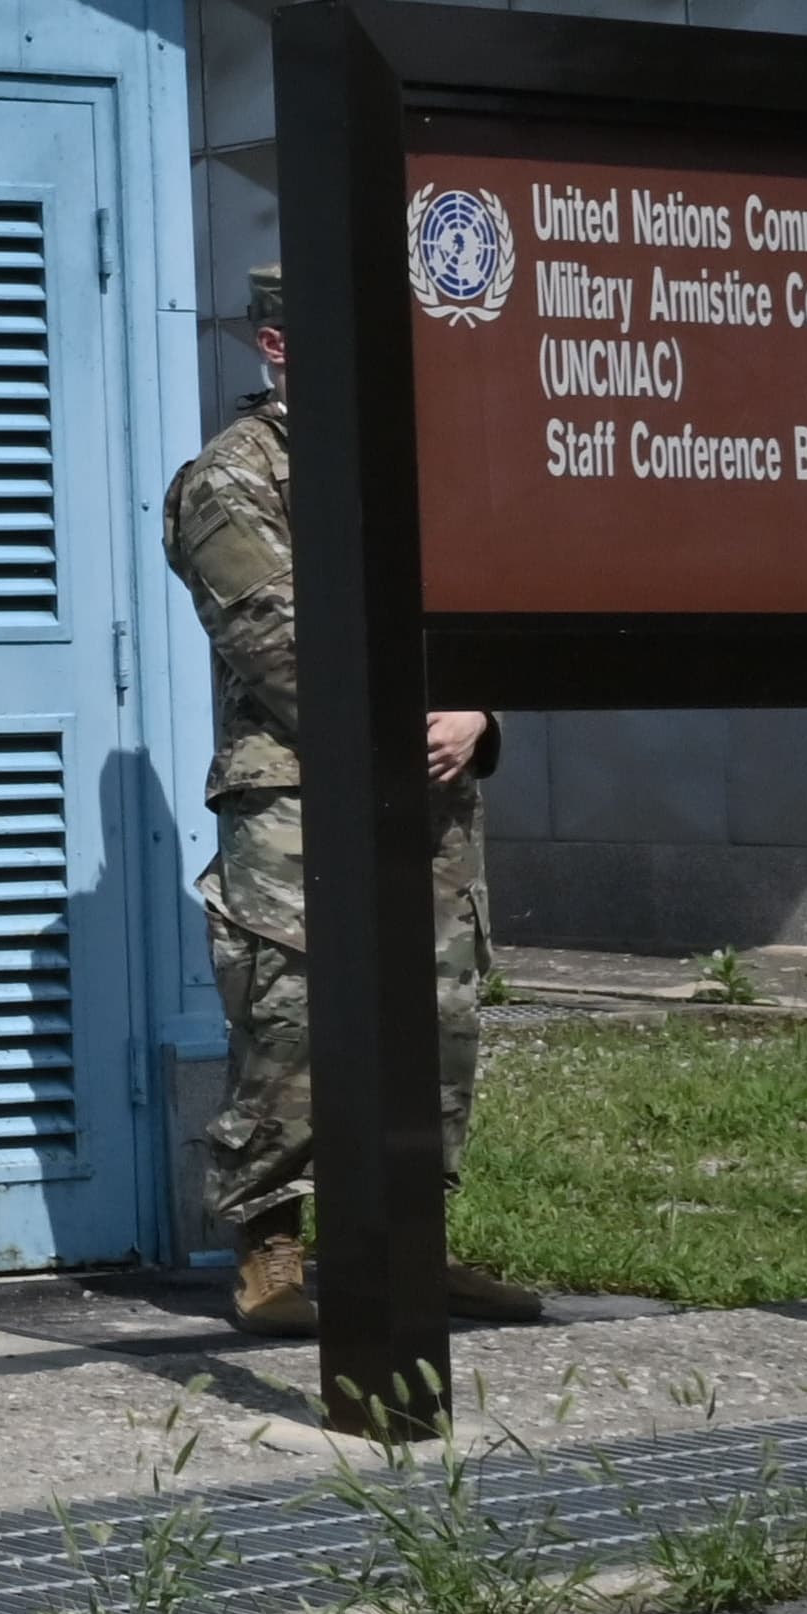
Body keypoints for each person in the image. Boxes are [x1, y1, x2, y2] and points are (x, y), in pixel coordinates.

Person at [167, 263, 542, 1337]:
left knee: (438, 1013)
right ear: (278, 347)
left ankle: (414, 1243)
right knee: (294, 1018)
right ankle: (268, 1246)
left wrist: (479, 714)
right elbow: (284, 648)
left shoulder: (421, 465)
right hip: (297, 792)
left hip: (431, 780)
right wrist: (413, 714)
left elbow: (488, 604)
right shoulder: (232, 480)